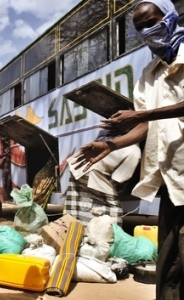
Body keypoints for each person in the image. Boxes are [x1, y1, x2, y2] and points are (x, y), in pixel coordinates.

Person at [72, 1, 184, 298]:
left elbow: (145, 117)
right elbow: (146, 125)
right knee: (169, 265)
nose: (147, 31)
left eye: (152, 22)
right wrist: (110, 145)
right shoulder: (150, 72)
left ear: (170, 17)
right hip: (174, 182)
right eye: (139, 29)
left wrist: (140, 115)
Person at [65, 130, 141, 226]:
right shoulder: (135, 151)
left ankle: (74, 232)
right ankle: (110, 235)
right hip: (92, 172)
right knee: (114, 209)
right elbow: (119, 179)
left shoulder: (116, 136)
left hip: (77, 166)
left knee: (77, 206)